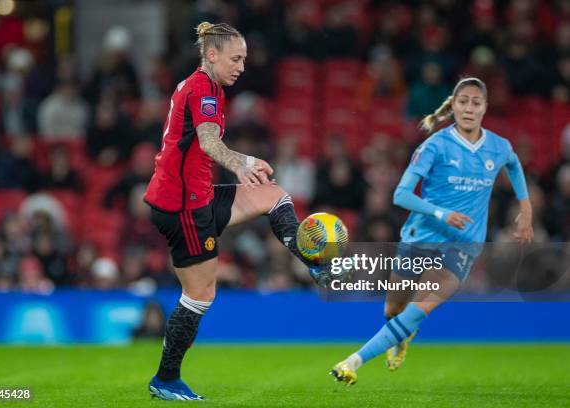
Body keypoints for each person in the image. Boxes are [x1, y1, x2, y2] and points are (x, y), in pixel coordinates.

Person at [143, 22, 344, 401]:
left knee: (274, 195)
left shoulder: (207, 86)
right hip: (182, 204)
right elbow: (206, 142)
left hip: (196, 195)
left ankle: (315, 263)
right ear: (212, 55)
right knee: (200, 296)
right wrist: (241, 164)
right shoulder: (202, 87)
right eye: (236, 58)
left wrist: (246, 160)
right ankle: (166, 379)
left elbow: (204, 142)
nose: (242, 66)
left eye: (245, 59)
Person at [330, 77, 534, 385]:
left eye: (475, 102)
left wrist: (526, 209)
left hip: (464, 245)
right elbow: (401, 195)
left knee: (418, 309)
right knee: (393, 308)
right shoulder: (435, 145)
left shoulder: (498, 146)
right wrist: (441, 212)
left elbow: (515, 164)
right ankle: (400, 337)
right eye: (463, 102)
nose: (469, 108)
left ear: (485, 108)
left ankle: (352, 361)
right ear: (453, 106)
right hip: (421, 237)